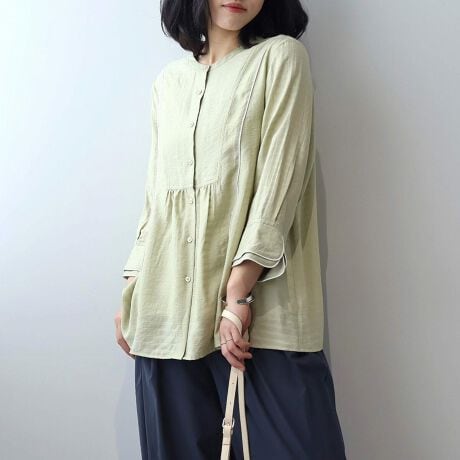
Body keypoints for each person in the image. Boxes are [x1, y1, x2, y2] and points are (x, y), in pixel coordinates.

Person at [114, 0, 347, 458]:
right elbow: (156, 200)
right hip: (165, 316)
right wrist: (133, 287)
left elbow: (279, 184)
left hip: (262, 318)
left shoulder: (281, 58)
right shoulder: (168, 83)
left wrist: (238, 292)